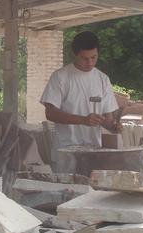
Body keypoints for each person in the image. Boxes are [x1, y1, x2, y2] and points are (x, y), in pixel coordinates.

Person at [40, 31, 122, 170]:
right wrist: (83, 120)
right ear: (75, 54)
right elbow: (51, 113)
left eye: (94, 57)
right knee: (67, 185)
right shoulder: (60, 77)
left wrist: (113, 126)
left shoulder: (103, 79)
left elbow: (107, 119)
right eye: (84, 58)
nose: (90, 62)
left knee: (93, 185)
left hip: (94, 152)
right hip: (65, 152)